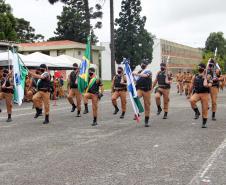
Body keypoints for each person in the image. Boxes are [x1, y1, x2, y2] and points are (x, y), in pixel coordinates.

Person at [190, 63, 212, 128]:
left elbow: (211, 83)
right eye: (198, 67)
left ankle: (204, 123)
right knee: (191, 100)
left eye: (200, 67)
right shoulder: (195, 76)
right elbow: (192, 84)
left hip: (205, 93)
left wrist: (207, 85)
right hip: (197, 93)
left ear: (204, 68)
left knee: (205, 109)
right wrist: (189, 93)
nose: (199, 68)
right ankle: (197, 112)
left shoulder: (208, 76)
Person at [133, 60, 152, 127]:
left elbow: (145, 76)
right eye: (142, 63)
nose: (143, 64)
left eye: (144, 64)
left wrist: (137, 74)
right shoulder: (139, 71)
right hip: (140, 89)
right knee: (135, 98)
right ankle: (137, 113)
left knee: (147, 105)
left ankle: (146, 121)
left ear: (146, 65)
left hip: (147, 90)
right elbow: (135, 79)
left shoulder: (148, 71)